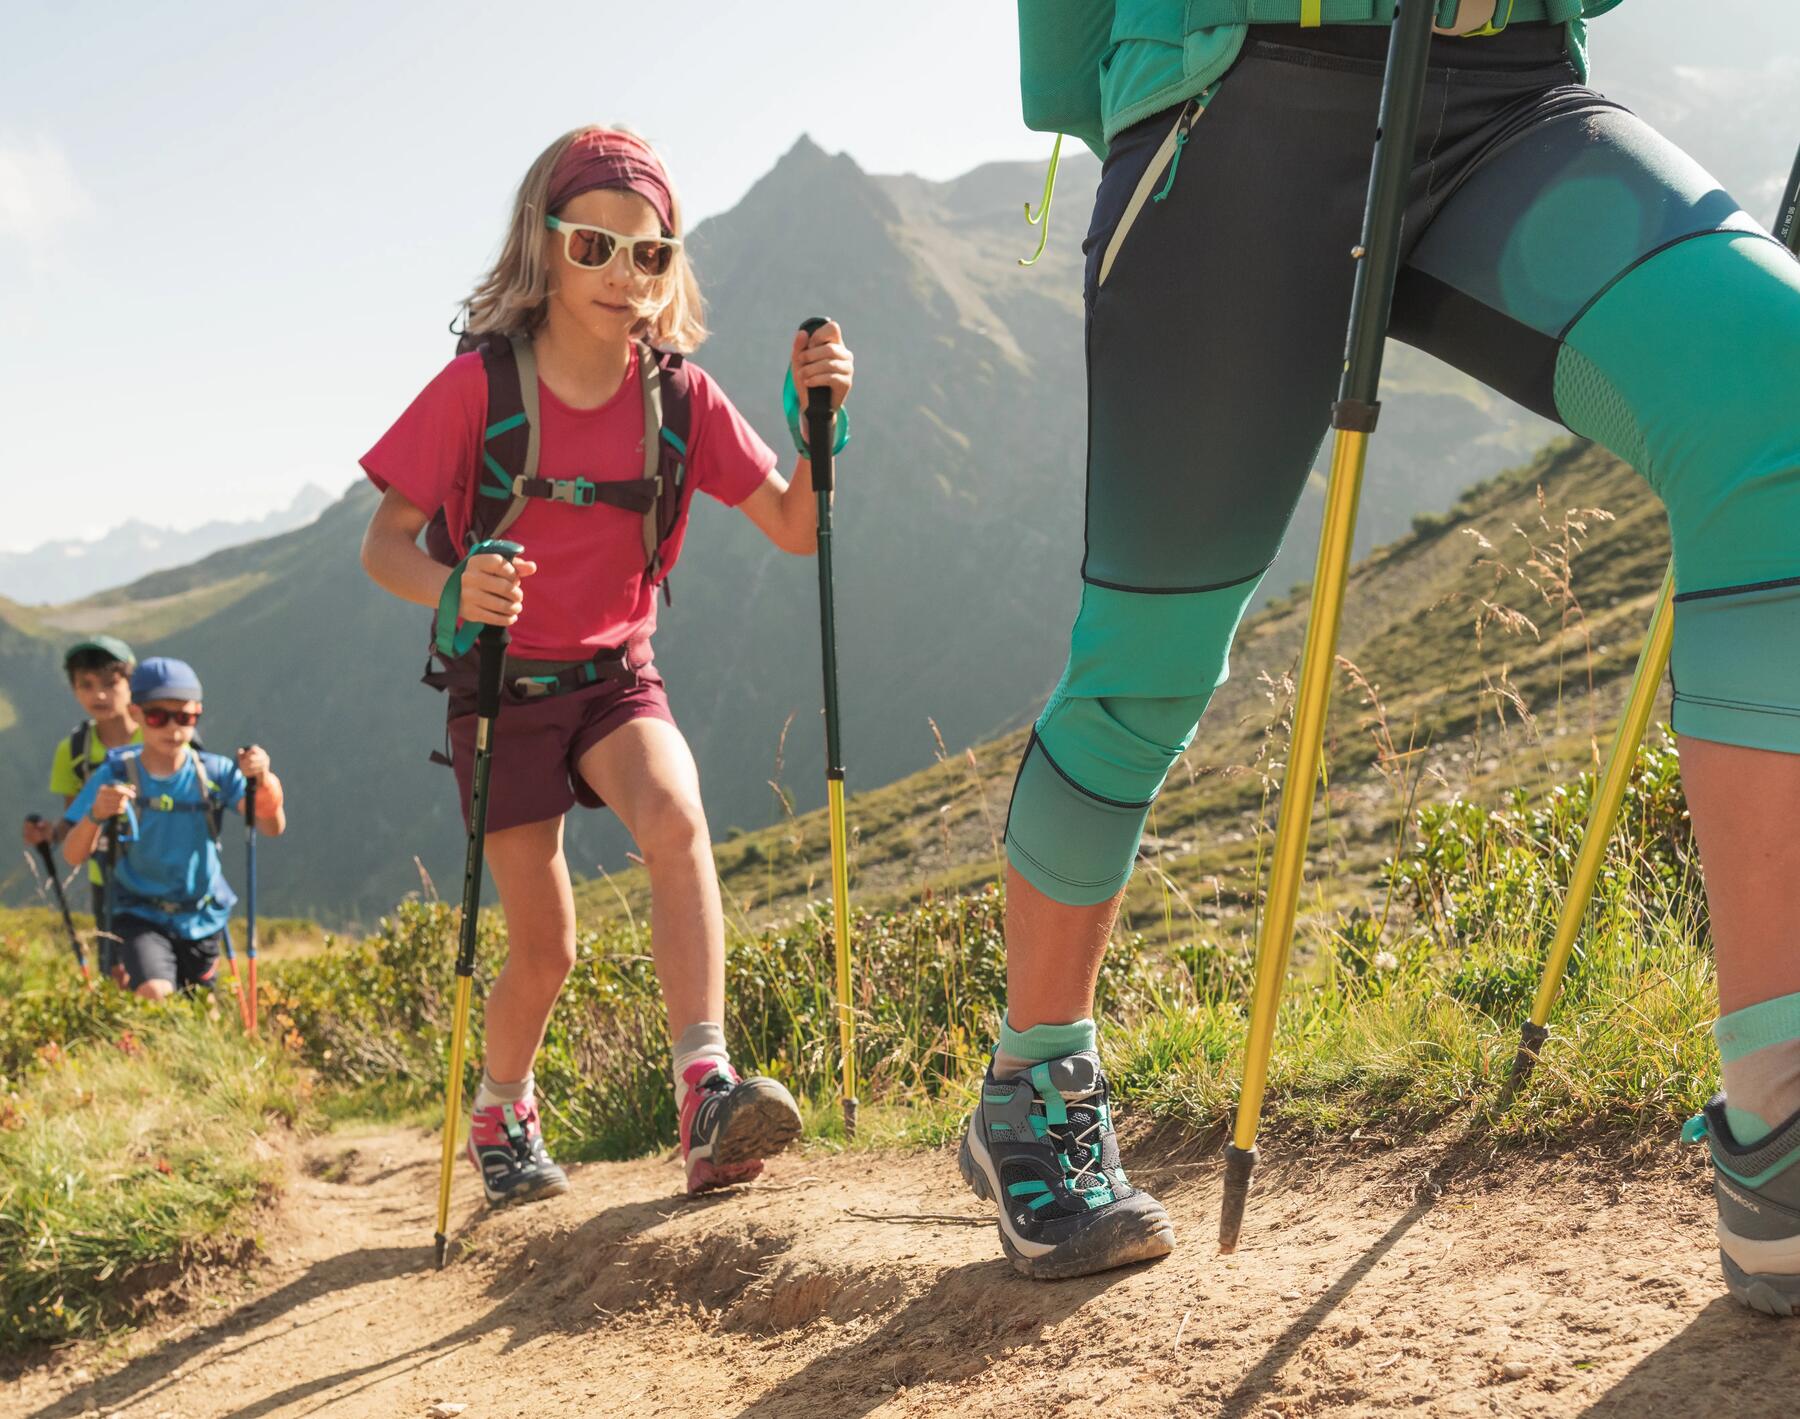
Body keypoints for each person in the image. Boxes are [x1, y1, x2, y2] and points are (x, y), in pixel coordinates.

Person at [967, 1, 1800, 1306]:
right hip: (1231, 95)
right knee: (1147, 670)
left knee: (1780, 383)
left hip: (1507, 95)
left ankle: (1782, 1121)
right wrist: (1151, 92)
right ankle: (1035, 1075)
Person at [359, 125, 855, 1205]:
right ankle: (501, 1107)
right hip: (498, 692)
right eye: (594, 247)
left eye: (650, 253)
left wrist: (816, 425)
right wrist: (450, 590)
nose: (622, 275)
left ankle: (706, 1092)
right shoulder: (475, 394)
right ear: (542, 246)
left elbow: (791, 524)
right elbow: (383, 545)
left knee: (676, 823)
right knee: (547, 952)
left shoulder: (678, 395)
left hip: (616, 675)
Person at [61, 657, 286, 999]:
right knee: (155, 992)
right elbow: (73, 854)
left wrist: (264, 779)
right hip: (137, 913)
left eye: (184, 717)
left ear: (198, 714)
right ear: (136, 715)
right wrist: (95, 814)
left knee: (201, 1009)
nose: (173, 728)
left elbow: (270, 825)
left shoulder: (215, 773)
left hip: (201, 915)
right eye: (157, 717)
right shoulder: (114, 774)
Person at [21, 635, 143, 983]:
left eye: (110, 683)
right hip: (103, 874)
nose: (99, 695)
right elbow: (73, 821)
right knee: (116, 973)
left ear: (130, 684)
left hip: (157, 867)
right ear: (74, 690)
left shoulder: (158, 735)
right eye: (86, 685)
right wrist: (51, 834)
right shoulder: (73, 750)